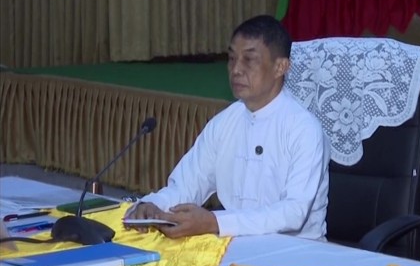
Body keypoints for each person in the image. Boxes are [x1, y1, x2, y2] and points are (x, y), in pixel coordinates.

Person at [125, 15, 330, 240]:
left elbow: (293, 213)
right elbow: (186, 186)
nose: (236, 70)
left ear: (280, 66)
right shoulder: (224, 123)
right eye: (232, 58)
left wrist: (215, 222)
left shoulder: (304, 129)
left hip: (297, 251)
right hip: (233, 244)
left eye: (249, 60)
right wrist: (153, 204)